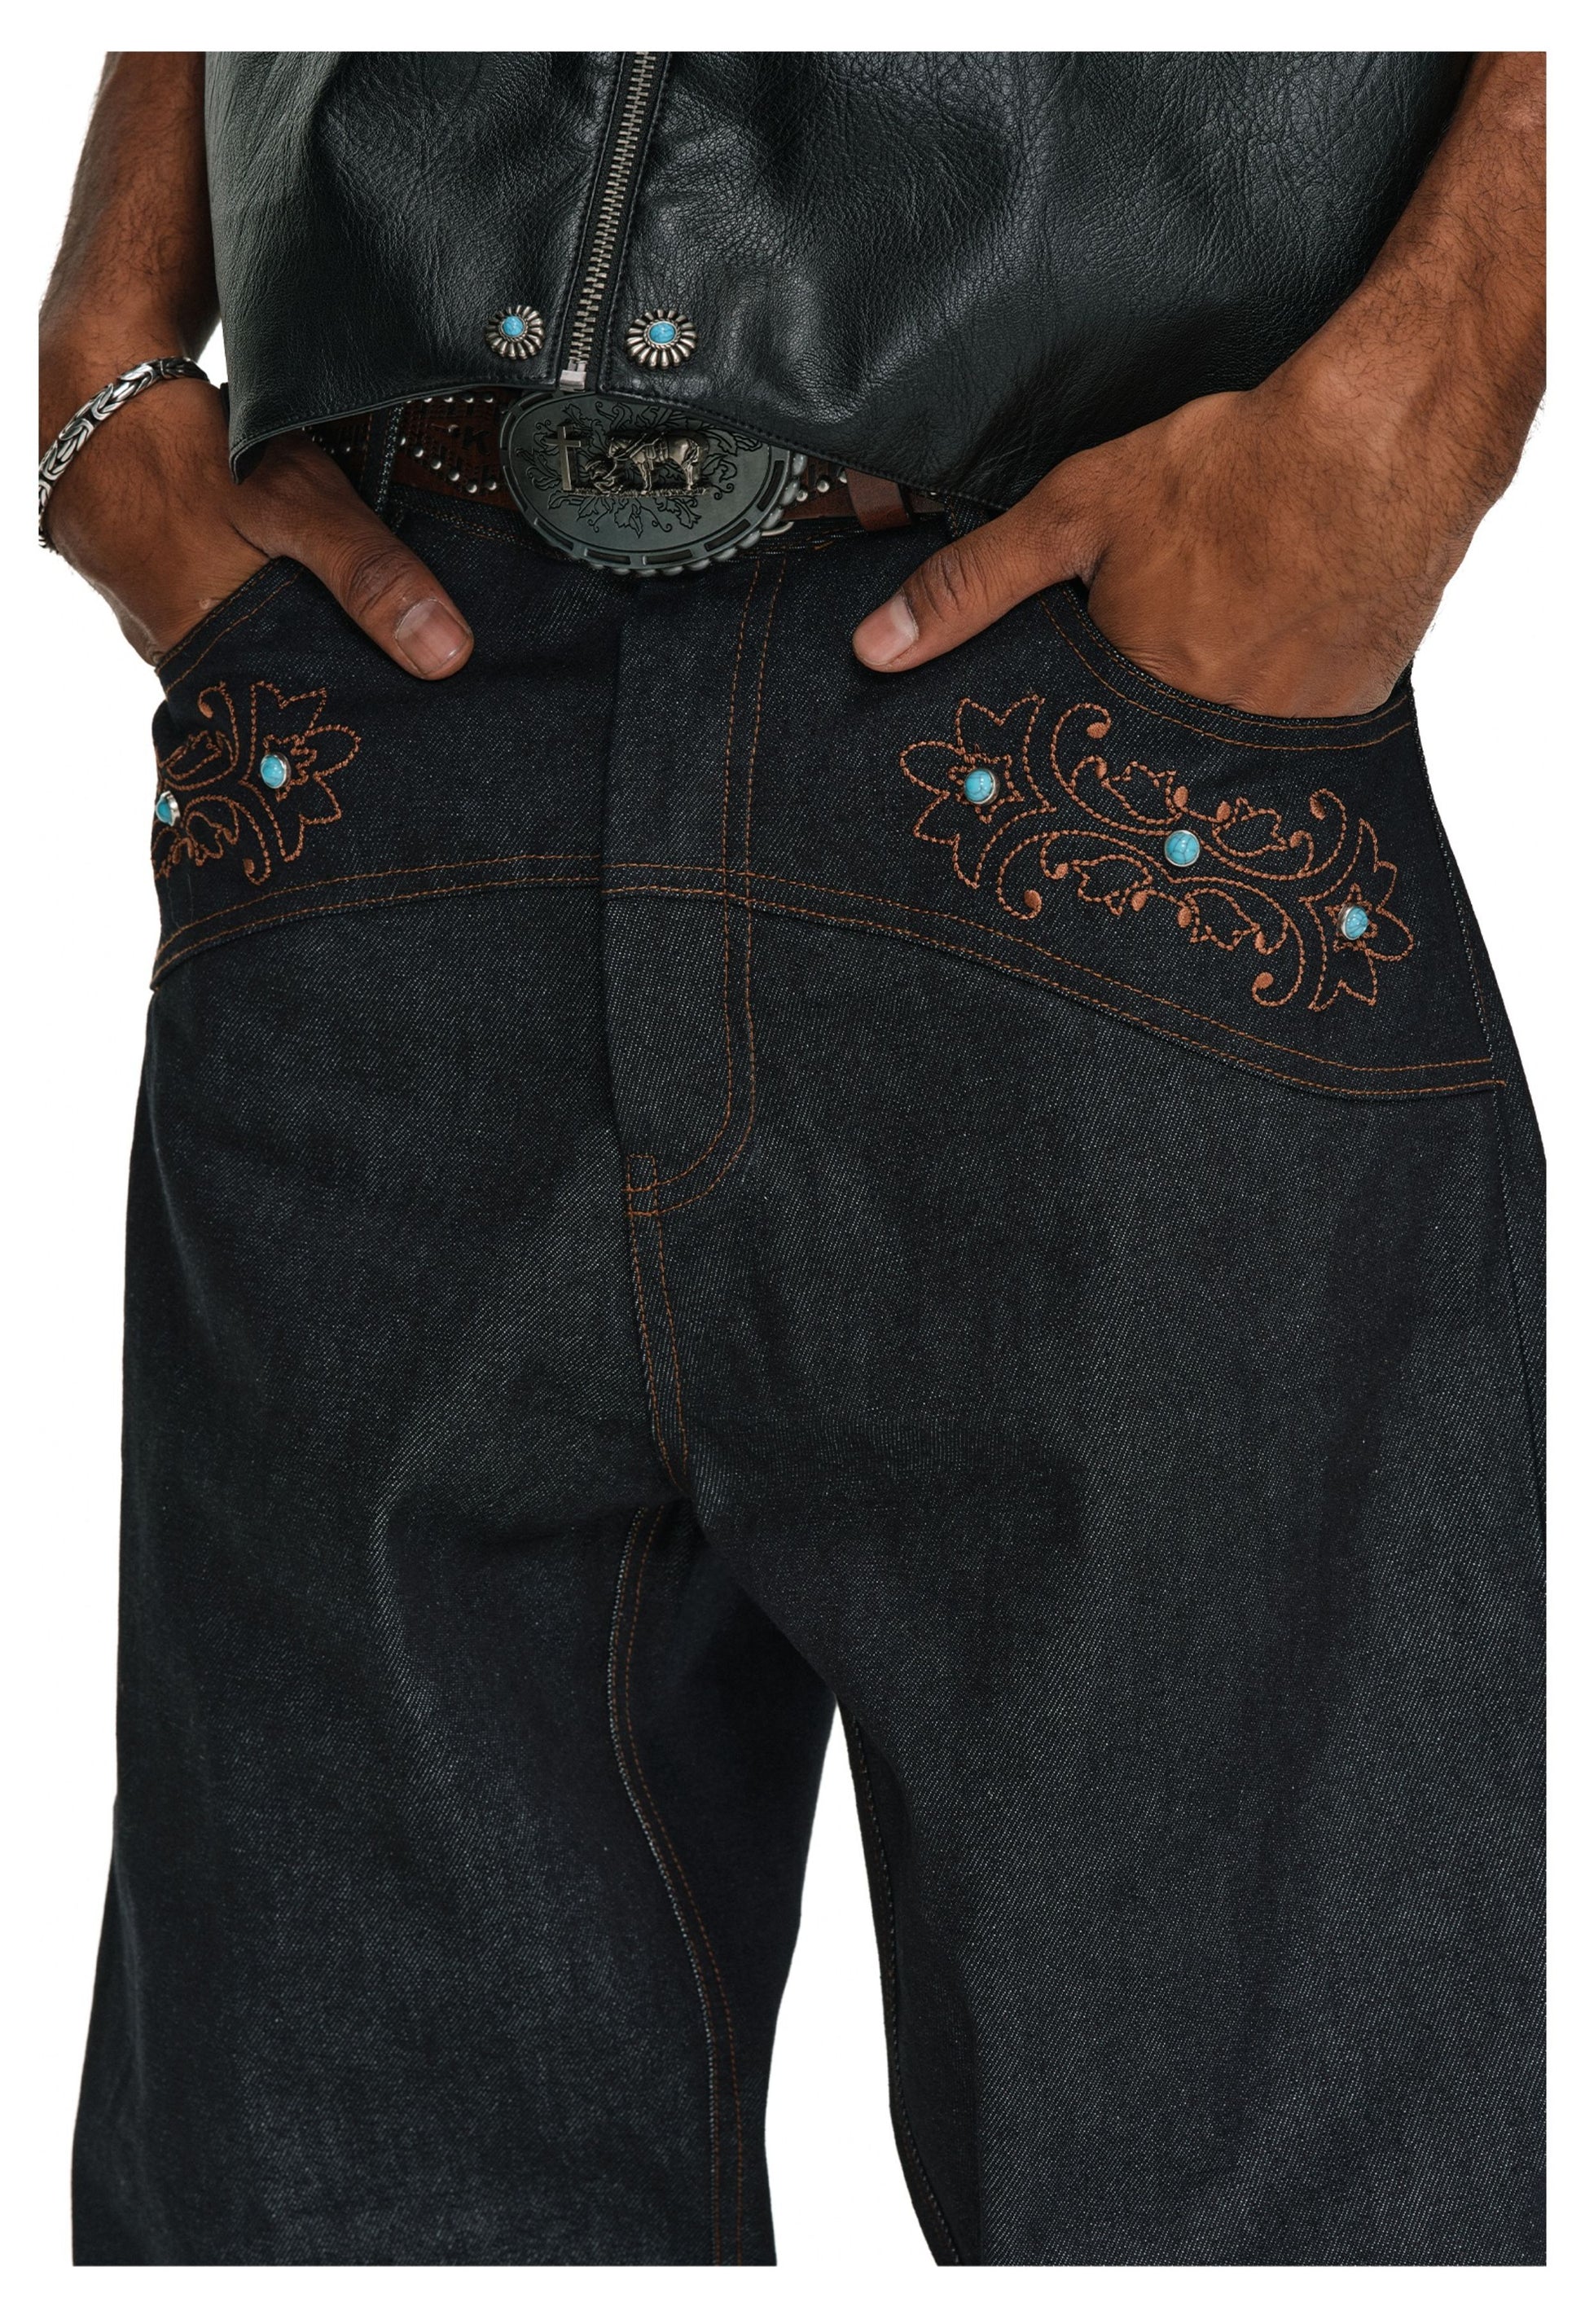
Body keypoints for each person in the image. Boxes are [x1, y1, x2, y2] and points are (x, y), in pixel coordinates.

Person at [41, 51, 1544, 2267]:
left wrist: (1460, 347)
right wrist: (112, 328)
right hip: (392, 704)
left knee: (1280, 2238)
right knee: (321, 2231)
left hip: (1103, 722)